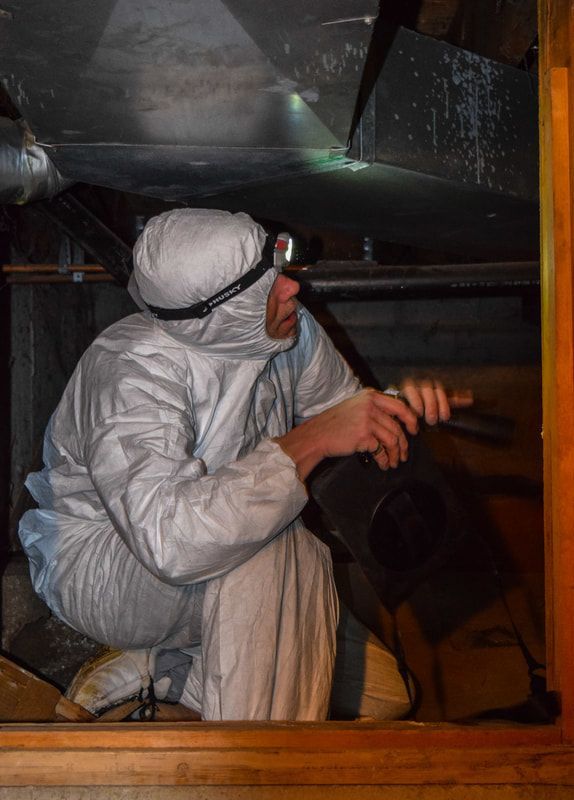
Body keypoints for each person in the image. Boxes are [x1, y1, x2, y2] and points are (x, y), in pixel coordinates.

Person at [19, 208, 469, 721]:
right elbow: (172, 542)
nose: (292, 289)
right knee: (278, 546)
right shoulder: (131, 369)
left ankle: (167, 672)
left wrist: (390, 413)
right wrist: (313, 439)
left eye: (278, 271)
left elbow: (340, 414)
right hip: (112, 568)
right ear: (214, 314)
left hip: (223, 556)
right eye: (265, 288)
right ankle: (252, 762)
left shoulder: (285, 328)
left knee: (390, 697)